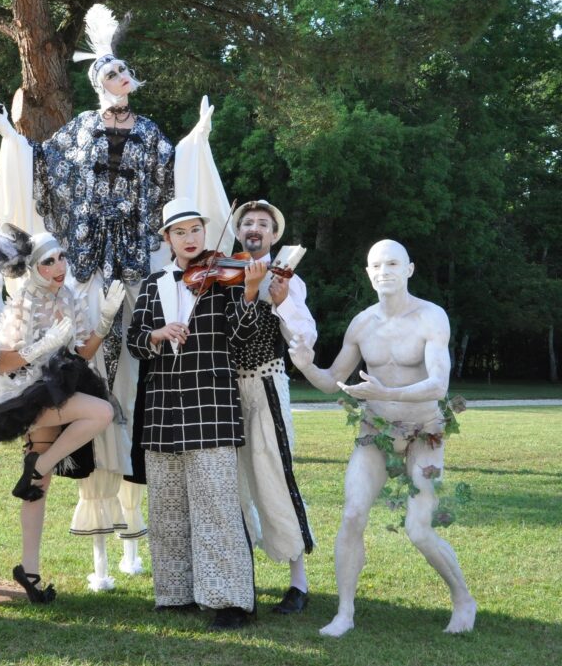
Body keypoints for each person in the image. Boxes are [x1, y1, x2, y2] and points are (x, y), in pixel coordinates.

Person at [0, 4, 235, 586]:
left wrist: (196, 140)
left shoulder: (150, 134)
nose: (121, 79)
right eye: (110, 73)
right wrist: (12, 144)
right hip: (86, 271)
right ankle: (89, 537)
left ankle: (132, 540)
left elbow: (175, 188)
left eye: (124, 72)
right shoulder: (76, 131)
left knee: (134, 386)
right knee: (87, 376)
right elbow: (41, 169)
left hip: (135, 268)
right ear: (97, 81)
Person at [289, 239, 477, 637]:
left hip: (424, 433)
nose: (384, 271)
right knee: (352, 515)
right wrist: (306, 366)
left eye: (392, 263)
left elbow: (439, 385)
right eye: (376, 265)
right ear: (368, 273)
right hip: (375, 433)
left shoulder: (431, 317)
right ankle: (344, 613)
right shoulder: (362, 324)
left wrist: (386, 392)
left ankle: (463, 599)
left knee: (418, 529)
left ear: (409, 269)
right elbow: (332, 381)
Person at [127, 199, 266, 630]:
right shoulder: (153, 284)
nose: (190, 239)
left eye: (195, 230)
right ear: (167, 239)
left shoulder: (226, 282)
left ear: (206, 233)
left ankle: (230, 601)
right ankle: (175, 594)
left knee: (216, 508)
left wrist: (251, 291)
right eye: (180, 232)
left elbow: (243, 337)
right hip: (163, 410)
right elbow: (134, 341)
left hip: (211, 406)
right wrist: (156, 334)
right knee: (167, 508)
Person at [0, 224, 125, 602]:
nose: (59, 267)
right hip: (24, 395)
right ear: (34, 268)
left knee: (38, 488)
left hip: (58, 387)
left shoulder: (68, 296)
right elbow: (4, 363)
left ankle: (30, 572)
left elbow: (82, 353)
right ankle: (38, 465)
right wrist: (42, 346)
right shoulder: (23, 301)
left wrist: (104, 322)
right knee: (101, 412)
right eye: (48, 262)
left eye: (61, 258)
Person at [230, 200, 317, 615]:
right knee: (233, 483)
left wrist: (281, 302)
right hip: (226, 390)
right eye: (247, 222)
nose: (254, 228)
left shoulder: (287, 279)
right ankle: (238, 574)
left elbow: (305, 337)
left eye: (262, 224)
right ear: (238, 231)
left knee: (275, 474)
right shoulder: (224, 274)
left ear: (274, 235)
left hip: (266, 382)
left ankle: (298, 582)